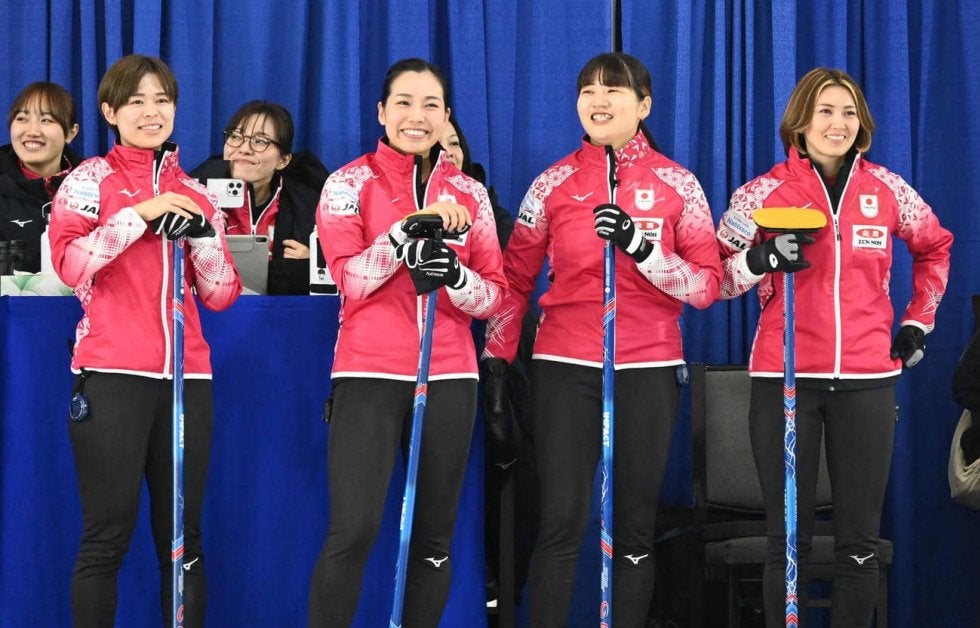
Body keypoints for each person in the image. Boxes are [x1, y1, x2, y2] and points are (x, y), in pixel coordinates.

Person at [482, 52, 722, 627]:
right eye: (588, 89)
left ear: (643, 104)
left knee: (635, 523)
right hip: (566, 364)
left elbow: (707, 285)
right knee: (562, 520)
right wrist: (496, 359)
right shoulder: (554, 182)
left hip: (649, 365)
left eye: (613, 90)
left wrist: (644, 250)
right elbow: (514, 280)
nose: (599, 100)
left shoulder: (675, 183)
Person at [716, 67, 953, 627]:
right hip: (784, 377)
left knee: (859, 542)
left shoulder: (888, 190)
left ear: (862, 126)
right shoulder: (761, 193)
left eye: (848, 113)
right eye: (825, 111)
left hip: (868, 379)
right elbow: (716, 278)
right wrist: (763, 259)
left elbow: (936, 247)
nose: (837, 123)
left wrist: (920, 320)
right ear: (799, 121)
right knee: (787, 541)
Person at [307, 58, 507, 627]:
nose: (415, 117)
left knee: (434, 536)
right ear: (381, 111)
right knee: (356, 528)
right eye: (403, 103)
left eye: (430, 106)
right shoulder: (348, 183)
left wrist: (454, 276)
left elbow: (493, 297)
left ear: (446, 118)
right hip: (369, 371)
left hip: (448, 375)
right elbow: (349, 279)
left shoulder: (469, 193)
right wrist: (405, 234)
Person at [48, 54, 241, 627]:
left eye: (162, 100)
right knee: (106, 537)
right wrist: (140, 215)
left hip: (188, 380)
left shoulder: (197, 192)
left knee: (184, 544)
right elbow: (70, 264)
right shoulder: (90, 180)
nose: (151, 112)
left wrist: (203, 238)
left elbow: (222, 293)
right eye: (136, 101)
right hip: (113, 376)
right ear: (110, 111)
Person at [191, 100, 328, 294]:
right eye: (236, 137)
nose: (244, 148)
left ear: (283, 160)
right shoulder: (194, 193)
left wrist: (312, 264)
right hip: (208, 316)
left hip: (279, 317)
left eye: (259, 141)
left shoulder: (309, 207)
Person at [1, 81, 81, 272]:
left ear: (71, 132)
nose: (32, 131)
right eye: (22, 119)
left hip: (81, 302)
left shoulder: (95, 184)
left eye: (46, 120)